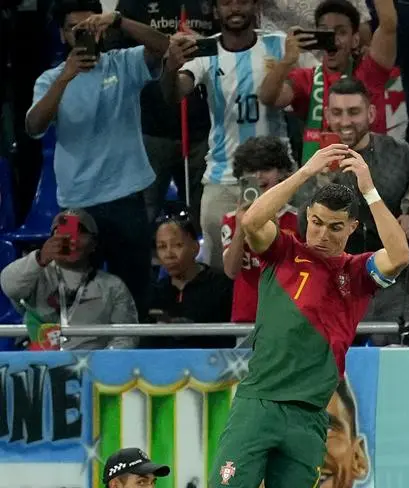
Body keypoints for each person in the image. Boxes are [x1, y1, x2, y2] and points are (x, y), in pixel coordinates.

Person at [152, 141, 409, 488]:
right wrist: (307, 172)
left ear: (349, 230)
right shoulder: (282, 251)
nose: (321, 234)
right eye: (315, 222)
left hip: (308, 422)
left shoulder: (357, 275)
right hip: (259, 406)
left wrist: (368, 187)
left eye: (334, 228)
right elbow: (252, 218)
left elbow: (401, 255)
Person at [28, 1, 182, 305]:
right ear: (62, 35)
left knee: (136, 293)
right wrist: (65, 77)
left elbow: (164, 46)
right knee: (77, 294)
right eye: (75, 29)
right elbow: (34, 127)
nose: (84, 35)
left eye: (90, 27)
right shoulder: (50, 79)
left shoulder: (122, 63)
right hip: (77, 203)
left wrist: (119, 20)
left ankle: (135, 353)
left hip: (127, 198)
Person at [293, 78, 409, 335]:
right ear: (326, 115)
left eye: (354, 112)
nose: (345, 122)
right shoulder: (314, 164)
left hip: (398, 285)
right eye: (337, 113)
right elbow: (303, 225)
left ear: (371, 113)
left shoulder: (398, 152)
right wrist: (321, 183)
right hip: (338, 287)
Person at [174, 0, 290, 273]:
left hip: (276, 178)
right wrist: (171, 67)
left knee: (282, 266)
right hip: (222, 178)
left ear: (255, 6)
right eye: (227, 2)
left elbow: (290, 97)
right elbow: (177, 90)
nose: (235, 8)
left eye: (242, 1)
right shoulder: (205, 49)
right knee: (219, 272)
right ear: (215, 11)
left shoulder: (280, 45)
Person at [113, 0, 217, 220]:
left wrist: (199, 42)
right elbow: (117, 55)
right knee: (147, 213)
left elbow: (226, 46)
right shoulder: (132, 5)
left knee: (203, 212)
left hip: (203, 130)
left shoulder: (212, 3)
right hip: (152, 130)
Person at [260, 0, 399, 157]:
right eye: (326, 32)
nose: (333, 39)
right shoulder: (306, 78)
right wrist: (287, 61)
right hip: (322, 177)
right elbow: (269, 98)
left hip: (370, 173)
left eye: (341, 32)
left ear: (355, 40)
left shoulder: (371, 72)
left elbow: (388, 25)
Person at [0, 210, 139, 350]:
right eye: (62, 233)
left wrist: (99, 364)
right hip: (42, 362)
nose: (71, 240)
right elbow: (10, 286)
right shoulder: (36, 275)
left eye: (80, 232)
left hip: (91, 364)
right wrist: (40, 258)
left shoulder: (113, 286)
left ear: (93, 244)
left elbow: (126, 337)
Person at [221, 136, 298, 325]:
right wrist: (241, 229)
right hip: (246, 317)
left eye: (266, 169)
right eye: (251, 171)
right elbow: (231, 271)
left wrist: (273, 225)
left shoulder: (297, 220)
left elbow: (294, 271)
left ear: (282, 173)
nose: (258, 176)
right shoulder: (231, 220)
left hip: (288, 316)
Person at [148, 209, 235, 348]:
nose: (169, 254)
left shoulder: (222, 286)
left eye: (178, 245)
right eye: (162, 247)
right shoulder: (156, 293)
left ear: (195, 247)